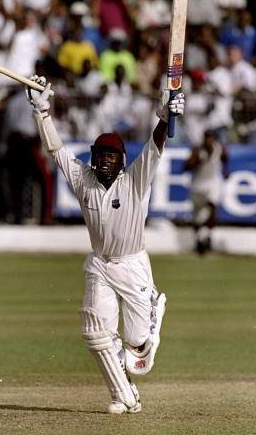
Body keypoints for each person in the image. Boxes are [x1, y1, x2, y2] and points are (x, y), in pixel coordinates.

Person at [25, 74, 185, 414]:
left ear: (122, 161)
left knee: (137, 347)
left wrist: (165, 116)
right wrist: (42, 110)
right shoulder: (84, 179)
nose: (104, 160)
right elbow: (56, 150)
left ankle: (151, 317)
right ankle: (123, 395)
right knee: (96, 332)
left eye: (111, 155)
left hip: (133, 265)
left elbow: (156, 146)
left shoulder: (136, 181)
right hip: (100, 263)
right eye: (99, 154)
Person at [184, 129, 229, 255]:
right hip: (198, 185)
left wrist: (226, 171)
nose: (209, 141)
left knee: (212, 206)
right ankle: (199, 239)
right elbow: (186, 166)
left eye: (211, 138)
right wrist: (196, 162)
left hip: (213, 183)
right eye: (206, 138)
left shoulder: (219, 149)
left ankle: (207, 233)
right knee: (197, 217)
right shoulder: (198, 150)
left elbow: (226, 158)